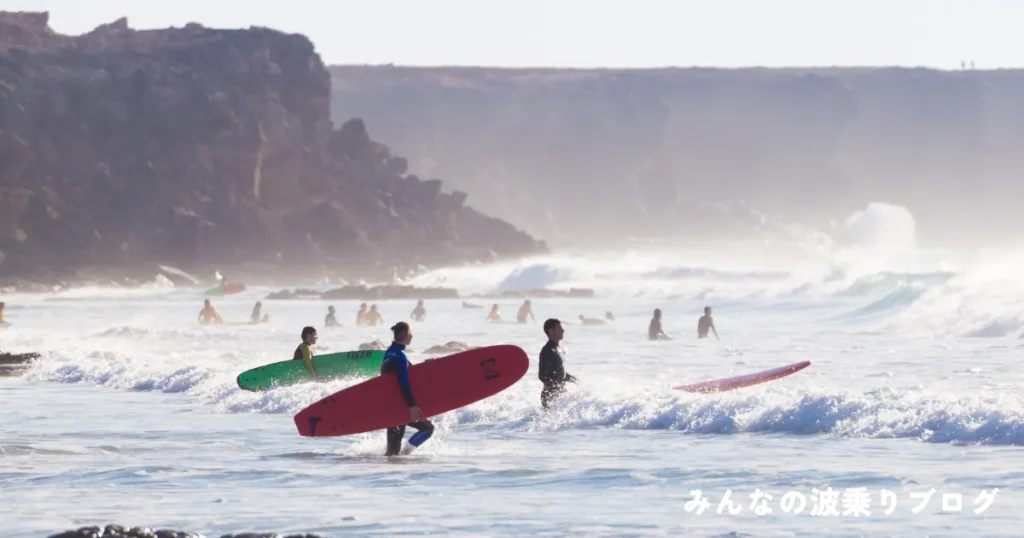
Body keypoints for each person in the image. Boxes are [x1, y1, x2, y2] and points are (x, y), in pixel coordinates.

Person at [380, 322, 433, 456]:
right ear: (404, 334)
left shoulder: (391, 352)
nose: (411, 336)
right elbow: (403, 381)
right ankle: (405, 454)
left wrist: (426, 368)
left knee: (392, 453)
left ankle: (401, 457)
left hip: (391, 405)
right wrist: (412, 405)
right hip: (400, 406)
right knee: (427, 429)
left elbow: (407, 374)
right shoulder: (401, 356)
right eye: (410, 333)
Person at [538, 318, 577, 409]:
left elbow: (559, 372)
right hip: (550, 397)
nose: (563, 330)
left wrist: (574, 380)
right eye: (560, 328)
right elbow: (542, 375)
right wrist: (555, 389)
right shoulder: (548, 351)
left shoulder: (558, 349)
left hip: (558, 395)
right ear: (551, 331)